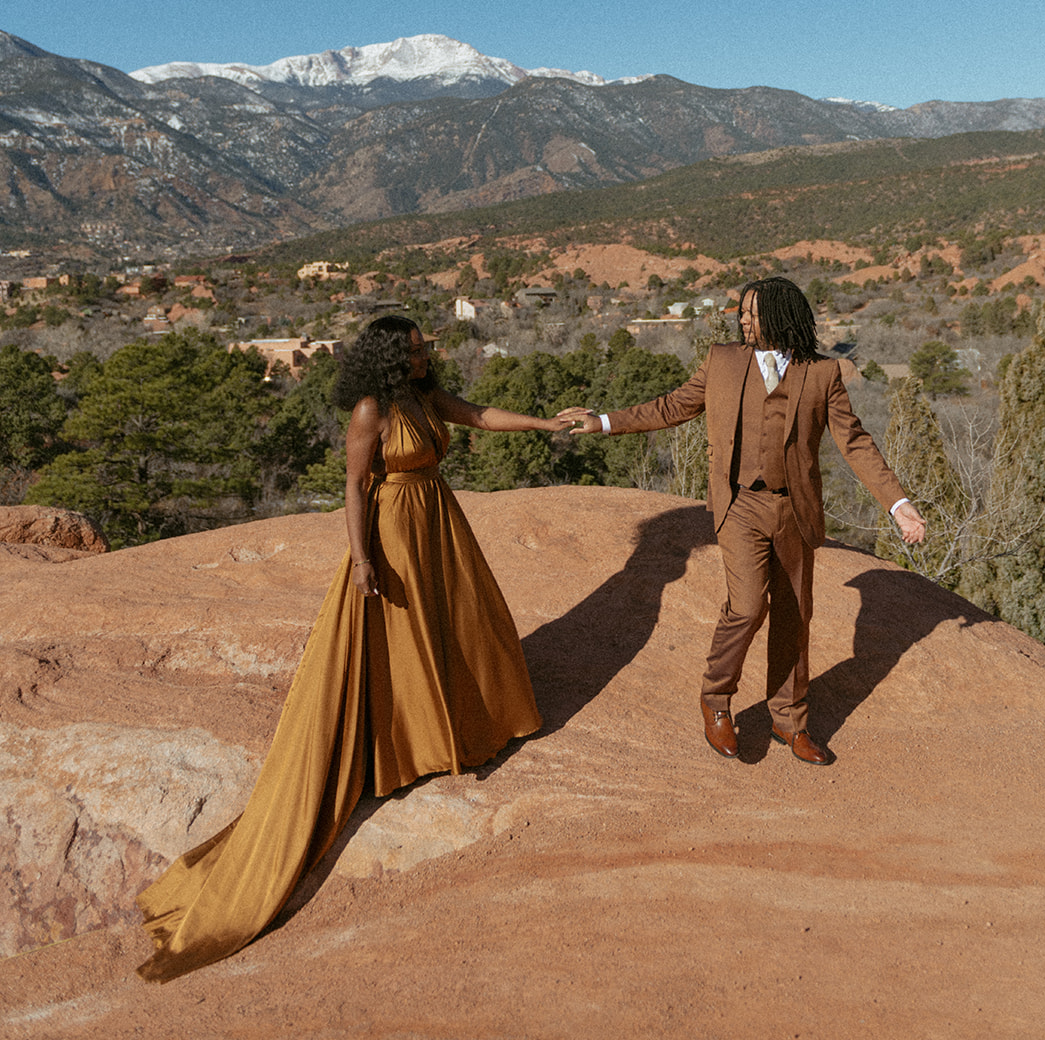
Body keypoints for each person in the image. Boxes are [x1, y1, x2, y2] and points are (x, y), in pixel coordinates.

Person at [137, 316, 572, 983]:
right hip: (393, 530)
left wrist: (546, 424)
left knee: (458, 631)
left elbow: (481, 415)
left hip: (438, 523)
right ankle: (408, 746)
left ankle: (465, 725)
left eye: (427, 348)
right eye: (418, 350)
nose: (428, 356)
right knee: (396, 647)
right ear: (393, 358)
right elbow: (354, 485)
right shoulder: (372, 410)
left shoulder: (427, 399)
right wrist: (362, 559)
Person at [560, 277, 925, 765]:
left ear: (782, 315)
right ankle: (716, 702)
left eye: (753, 313)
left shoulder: (823, 373)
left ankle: (789, 720)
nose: (743, 320)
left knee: (795, 616)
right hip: (740, 505)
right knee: (749, 605)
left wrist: (898, 504)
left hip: (794, 508)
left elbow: (853, 441)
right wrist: (603, 421)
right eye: (743, 313)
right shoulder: (723, 361)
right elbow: (672, 407)